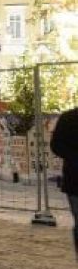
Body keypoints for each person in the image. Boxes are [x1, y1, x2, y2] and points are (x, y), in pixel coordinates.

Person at [50, 106, 78, 256]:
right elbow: (56, 145)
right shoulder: (68, 118)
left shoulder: (67, 117)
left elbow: (56, 145)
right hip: (75, 181)